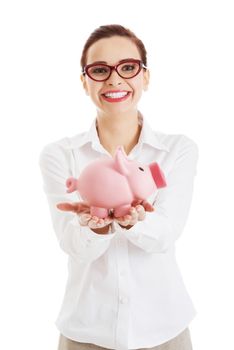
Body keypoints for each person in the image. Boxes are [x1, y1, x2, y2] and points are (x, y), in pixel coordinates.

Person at [39, 24, 198, 350]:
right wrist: (97, 229)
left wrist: (133, 221)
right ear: (84, 82)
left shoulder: (177, 150)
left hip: (164, 330)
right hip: (86, 333)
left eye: (128, 67)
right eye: (100, 70)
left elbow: (166, 233)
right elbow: (72, 244)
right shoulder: (59, 155)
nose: (114, 79)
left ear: (146, 77)